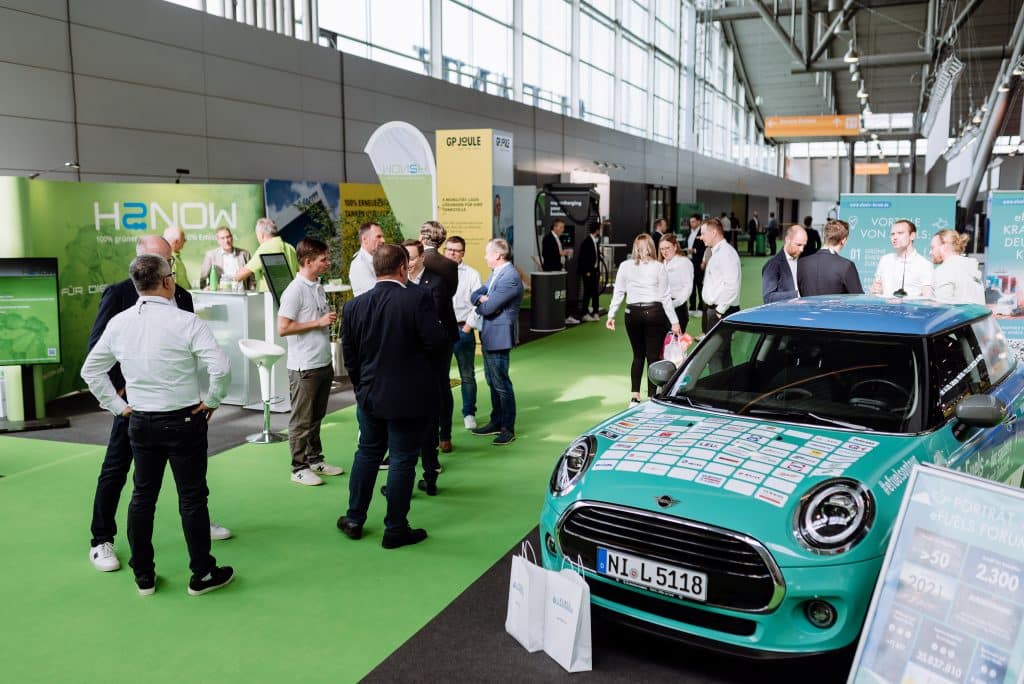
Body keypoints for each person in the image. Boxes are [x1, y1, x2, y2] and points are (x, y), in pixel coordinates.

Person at [81, 253, 234, 597]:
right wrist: (212, 400)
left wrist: (118, 407)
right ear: (167, 281)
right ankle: (202, 574)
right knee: (192, 498)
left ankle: (144, 576)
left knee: (142, 497)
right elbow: (221, 368)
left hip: (140, 421)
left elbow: (90, 371)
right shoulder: (187, 322)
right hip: (184, 421)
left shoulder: (119, 323)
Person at [338, 244, 447, 549]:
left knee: (367, 453)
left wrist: (362, 388)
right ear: (402, 267)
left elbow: (350, 356)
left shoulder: (354, 306)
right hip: (409, 397)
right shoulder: (418, 298)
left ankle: (354, 519)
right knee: (402, 459)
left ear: (376, 269)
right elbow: (437, 343)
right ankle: (395, 529)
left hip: (369, 395)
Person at [277, 238, 344, 486]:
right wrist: (318, 322)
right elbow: (283, 328)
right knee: (301, 420)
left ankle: (315, 459)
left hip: (322, 362)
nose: (328, 263)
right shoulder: (294, 291)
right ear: (307, 261)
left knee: (316, 417)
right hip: (304, 367)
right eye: (323, 259)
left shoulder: (317, 286)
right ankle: (298, 468)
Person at [606, 234, 681, 404]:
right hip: (654, 312)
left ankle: (634, 397)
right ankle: (652, 397)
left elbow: (618, 292)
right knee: (653, 357)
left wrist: (611, 314)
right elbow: (665, 297)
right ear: (652, 248)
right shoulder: (659, 267)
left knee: (637, 355)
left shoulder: (625, 266)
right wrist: (674, 321)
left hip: (632, 313)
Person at [470, 238, 524, 445]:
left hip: (499, 337)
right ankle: (496, 421)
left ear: (498, 256)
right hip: (489, 334)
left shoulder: (509, 277)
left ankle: (507, 428)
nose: (485, 257)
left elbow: (487, 308)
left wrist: (483, 303)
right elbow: (476, 295)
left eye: (487, 254)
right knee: (492, 381)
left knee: (501, 383)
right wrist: (482, 300)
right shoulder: (496, 273)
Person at [419, 220, 459, 463]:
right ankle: (445, 436)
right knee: (443, 384)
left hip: (424, 332)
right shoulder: (450, 265)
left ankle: (429, 438)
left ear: (422, 237)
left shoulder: (418, 260)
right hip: (446, 330)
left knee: (424, 386)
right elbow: (450, 295)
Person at [446, 236, 483, 429]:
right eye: (449, 249)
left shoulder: (471, 274)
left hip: (463, 329)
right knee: (439, 376)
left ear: (463, 253)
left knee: (467, 375)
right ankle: (440, 416)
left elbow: (478, 304)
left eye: (456, 250)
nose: (452, 253)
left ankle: (469, 413)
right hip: (441, 331)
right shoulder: (435, 272)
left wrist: (468, 326)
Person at [796, 219, 864, 296]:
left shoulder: (802, 263)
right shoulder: (846, 266)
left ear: (825, 237)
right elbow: (858, 298)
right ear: (843, 240)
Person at [870, 219, 933, 297]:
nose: (895, 237)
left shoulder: (924, 265)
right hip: (884, 304)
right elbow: (875, 289)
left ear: (912, 236)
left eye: (900, 233)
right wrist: (874, 290)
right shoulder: (885, 260)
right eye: (892, 234)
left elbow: (928, 298)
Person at [233, 218, 299, 292]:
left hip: (270, 296)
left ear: (261, 235)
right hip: (290, 294)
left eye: (257, 235)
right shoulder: (290, 248)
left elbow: (242, 274)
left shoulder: (265, 249)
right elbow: (298, 270)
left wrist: (232, 278)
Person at [701, 218, 742, 332]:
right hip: (717, 310)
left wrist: (719, 311)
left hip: (722, 311)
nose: (701, 237)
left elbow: (732, 286)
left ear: (713, 233)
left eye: (703, 233)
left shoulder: (726, 253)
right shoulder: (718, 252)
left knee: (720, 344)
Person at [930, 229, 985, 304]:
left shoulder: (944, 271)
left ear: (944, 246)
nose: (930, 252)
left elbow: (942, 307)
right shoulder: (973, 270)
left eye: (933, 247)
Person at [542, 219, 579, 325]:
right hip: (552, 271)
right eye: (561, 227)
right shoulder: (548, 238)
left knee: (562, 294)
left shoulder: (557, 238)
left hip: (559, 270)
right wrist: (561, 253)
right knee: (556, 295)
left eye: (563, 227)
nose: (563, 230)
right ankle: (557, 317)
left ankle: (565, 316)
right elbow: (547, 254)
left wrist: (563, 254)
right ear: (555, 227)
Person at [762, 224, 807, 303]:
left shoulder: (804, 259)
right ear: (787, 240)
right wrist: (798, 294)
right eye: (799, 245)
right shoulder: (772, 265)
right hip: (785, 310)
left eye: (804, 245)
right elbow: (768, 298)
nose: (802, 249)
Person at [659, 234, 693, 327]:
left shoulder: (684, 262)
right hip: (663, 307)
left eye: (667, 248)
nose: (664, 251)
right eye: (662, 249)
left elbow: (688, 287)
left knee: (675, 336)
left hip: (678, 309)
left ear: (675, 247)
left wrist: (675, 303)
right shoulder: (663, 263)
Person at [349, 222, 385, 296]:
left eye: (382, 237)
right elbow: (378, 295)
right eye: (378, 237)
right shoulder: (359, 264)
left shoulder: (378, 258)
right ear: (365, 239)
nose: (383, 240)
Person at [576, 222, 602, 321]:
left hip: (594, 271)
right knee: (587, 292)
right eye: (600, 229)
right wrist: (586, 271)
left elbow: (593, 256)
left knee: (595, 292)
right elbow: (582, 258)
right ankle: (584, 313)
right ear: (597, 230)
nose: (601, 231)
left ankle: (595, 312)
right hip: (588, 272)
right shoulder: (587, 242)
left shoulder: (595, 241)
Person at [686, 214, 705, 311]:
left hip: (699, 262)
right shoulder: (690, 232)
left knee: (700, 285)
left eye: (693, 221)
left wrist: (695, 251)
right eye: (690, 222)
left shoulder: (703, 232)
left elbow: (706, 248)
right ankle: (692, 306)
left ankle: (701, 306)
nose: (691, 223)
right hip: (690, 262)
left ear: (699, 221)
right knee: (691, 285)